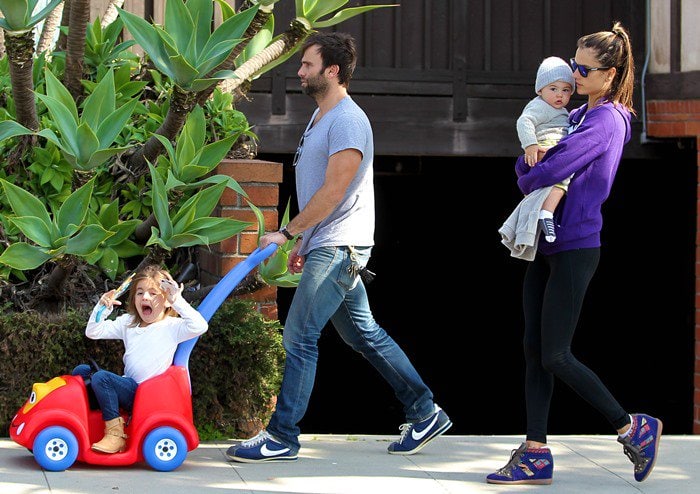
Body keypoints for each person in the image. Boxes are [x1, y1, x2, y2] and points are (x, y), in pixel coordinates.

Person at [226, 31, 451, 463]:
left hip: (341, 245)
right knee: (364, 335)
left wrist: (289, 233)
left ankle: (282, 435)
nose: (300, 71)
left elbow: (334, 190)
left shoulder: (348, 119)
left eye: (307, 64)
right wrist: (306, 241)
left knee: (300, 337)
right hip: (328, 243)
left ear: (332, 71)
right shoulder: (320, 119)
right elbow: (321, 190)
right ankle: (426, 411)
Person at [487, 22, 663, 485]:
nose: (575, 73)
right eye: (574, 63)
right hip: (547, 243)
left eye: (584, 69)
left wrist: (531, 172)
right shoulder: (579, 113)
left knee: (556, 354)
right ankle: (536, 451)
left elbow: (550, 167)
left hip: (575, 245)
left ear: (609, 74)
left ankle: (632, 426)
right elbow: (535, 160)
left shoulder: (606, 120)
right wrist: (533, 166)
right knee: (533, 350)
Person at [72, 265, 208, 454]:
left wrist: (177, 301)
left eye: (153, 294)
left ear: (166, 301)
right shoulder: (128, 323)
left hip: (145, 394)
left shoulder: (172, 327)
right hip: (128, 386)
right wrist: (102, 307)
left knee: (101, 378)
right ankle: (83, 421)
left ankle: (116, 436)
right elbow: (93, 332)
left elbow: (200, 325)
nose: (145, 297)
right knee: (82, 371)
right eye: (140, 293)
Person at [515, 56, 576, 243]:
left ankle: (539, 215)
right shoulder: (540, 106)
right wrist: (530, 145)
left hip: (553, 146)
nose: (560, 95)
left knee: (550, 185)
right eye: (553, 89)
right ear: (540, 90)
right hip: (546, 145)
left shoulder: (559, 110)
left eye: (566, 90)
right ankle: (546, 214)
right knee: (564, 176)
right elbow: (524, 121)